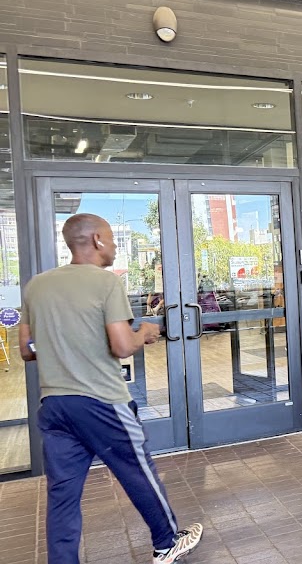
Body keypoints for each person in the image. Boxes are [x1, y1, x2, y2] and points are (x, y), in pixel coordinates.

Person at [19, 214, 203, 564]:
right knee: (138, 472)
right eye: (113, 239)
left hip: (55, 405)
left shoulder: (37, 286)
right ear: (97, 240)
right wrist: (144, 333)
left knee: (62, 496)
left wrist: (62, 344)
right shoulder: (106, 282)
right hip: (102, 402)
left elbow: (27, 350)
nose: (116, 246)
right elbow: (121, 346)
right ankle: (167, 544)